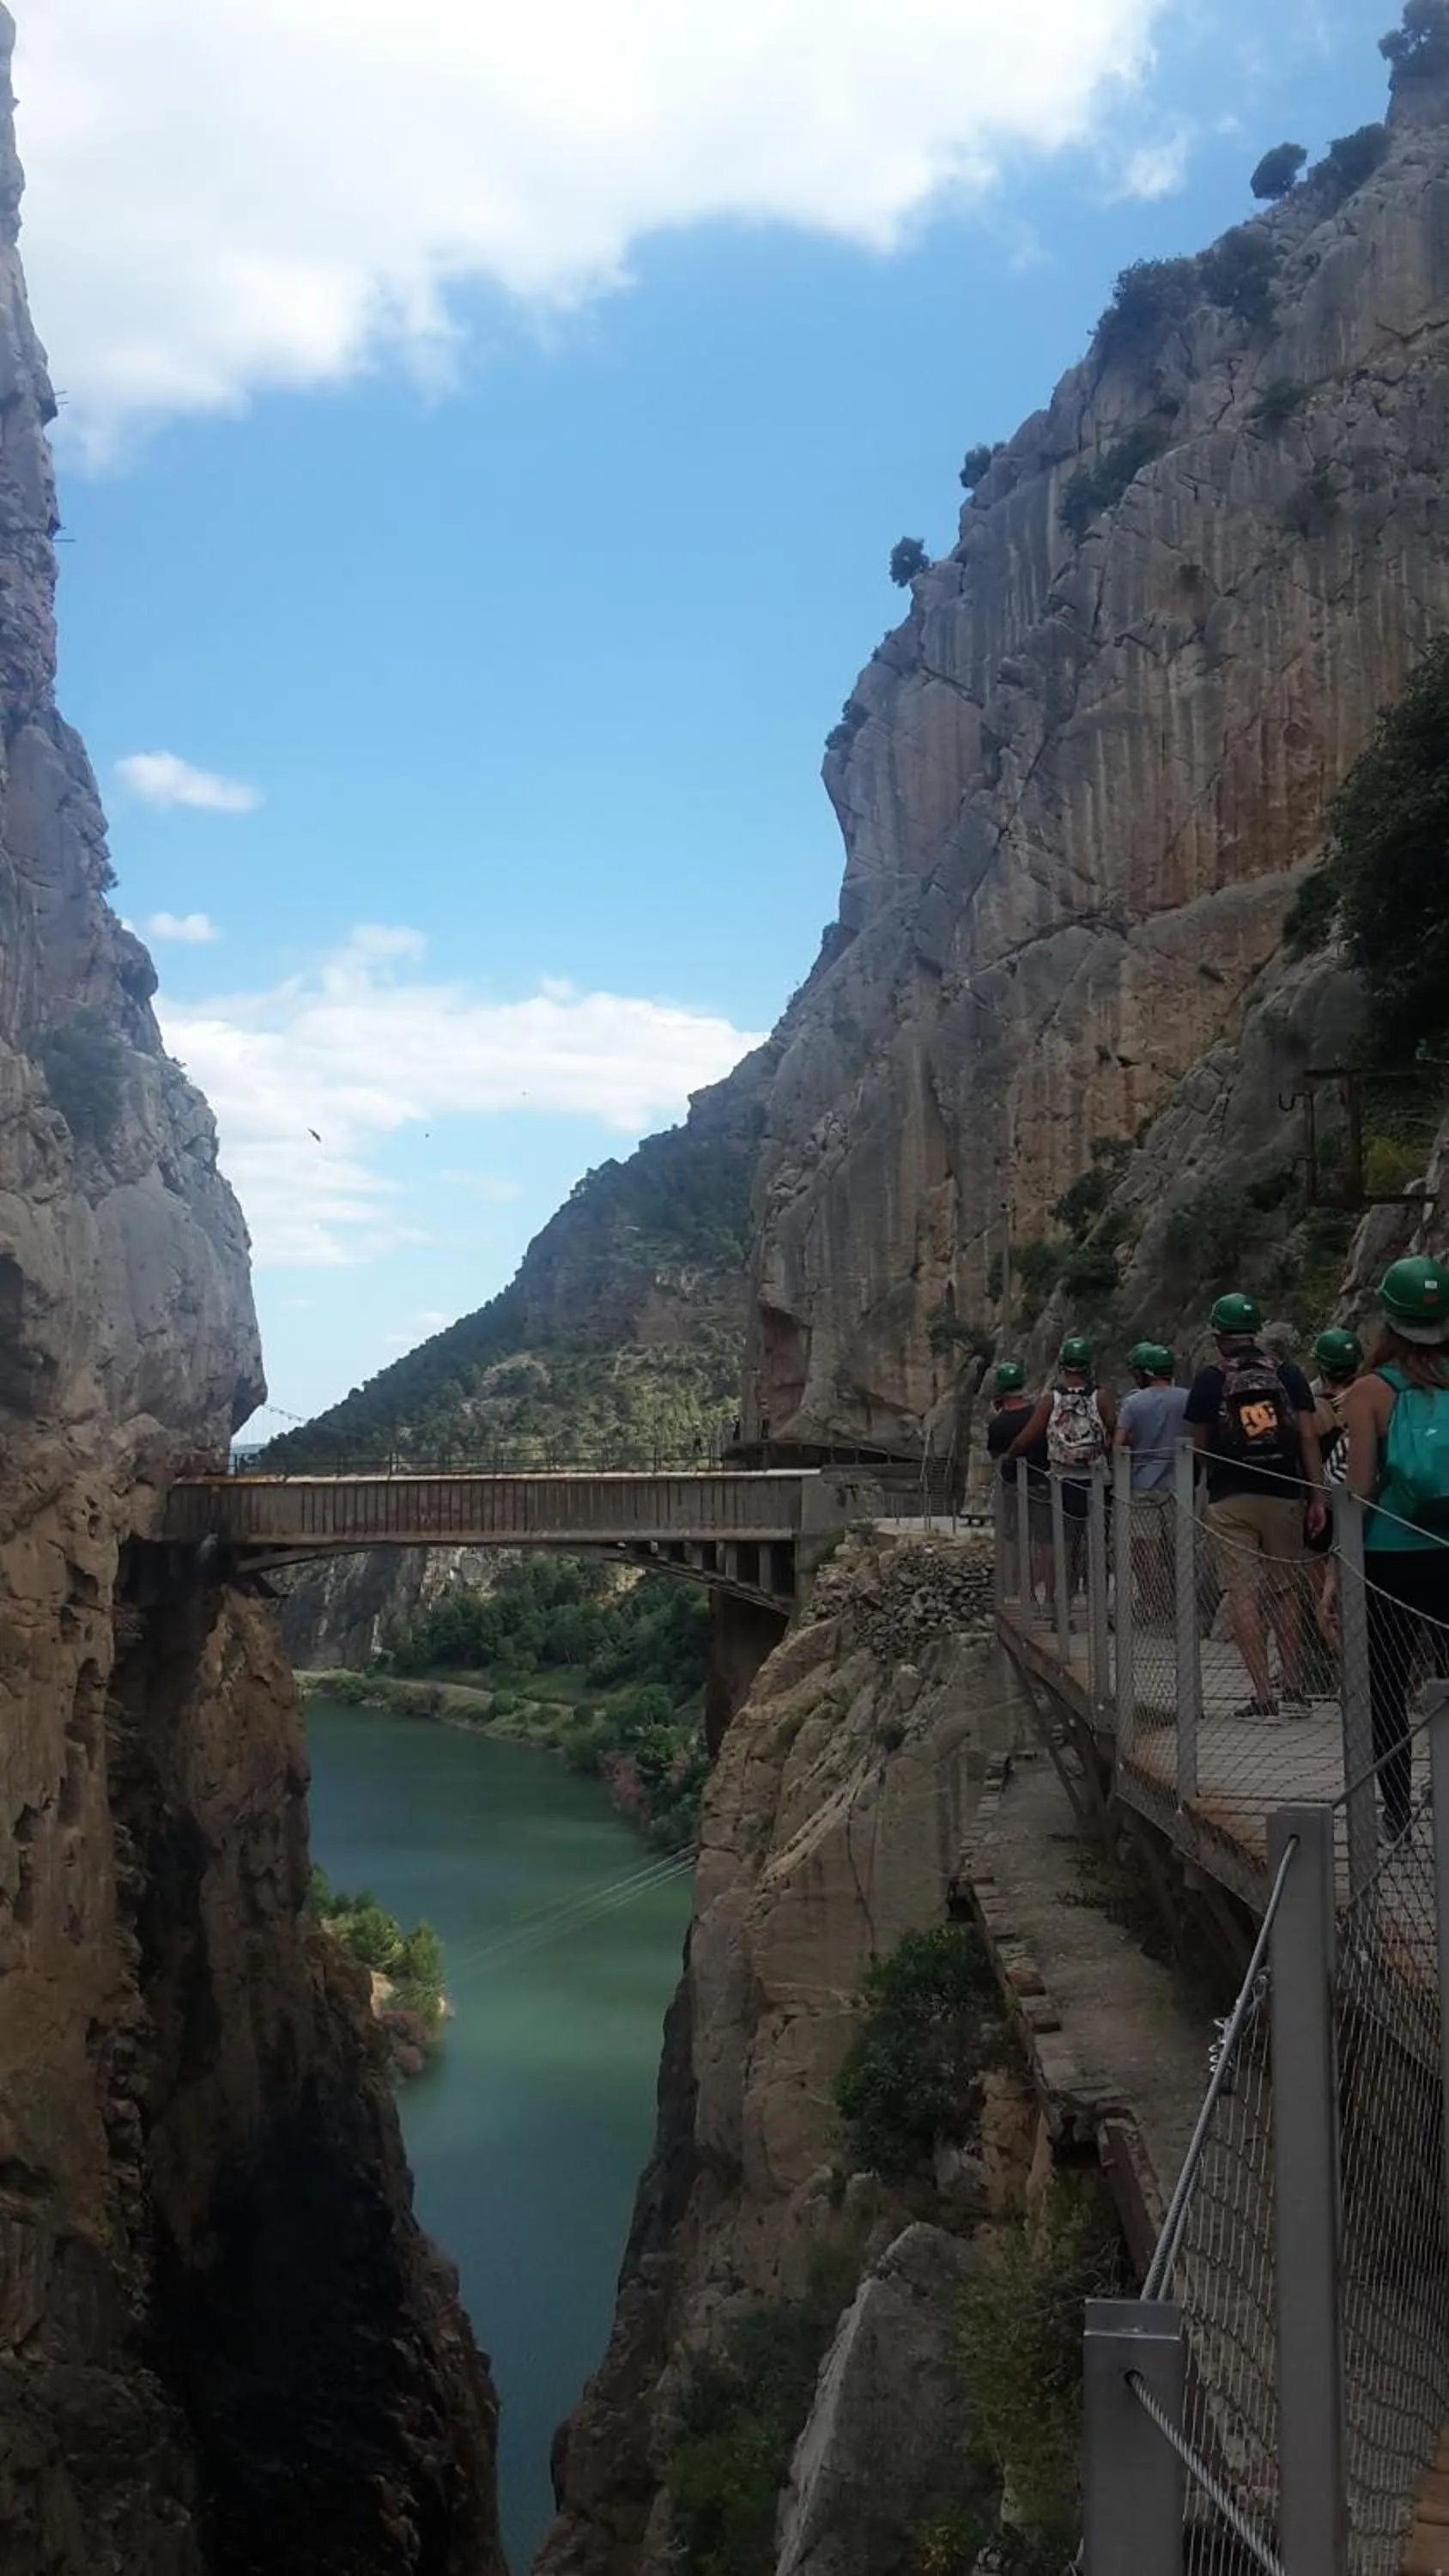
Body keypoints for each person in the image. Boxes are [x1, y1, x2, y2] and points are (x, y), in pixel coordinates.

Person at [1338, 1257, 1449, 1847]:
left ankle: (1397, 1816)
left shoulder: (1370, 1391)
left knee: (1386, 1685)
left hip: (1391, 1556)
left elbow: (1359, 1488)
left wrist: (1336, 1567)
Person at [1184, 1291, 1326, 1721]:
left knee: (1241, 1592)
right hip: (1284, 1492)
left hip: (1231, 1498)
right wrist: (1316, 1496)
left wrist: (1207, 1482)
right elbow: (1307, 1437)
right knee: (1285, 1590)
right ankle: (1294, 1689)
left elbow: (1199, 1446)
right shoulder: (1287, 1373)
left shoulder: (1210, 1379)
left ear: (1218, 1336)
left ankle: (1263, 1696)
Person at [1007, 1337, 1116, 1609]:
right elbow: (1116, 1430)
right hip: (1097, 1480)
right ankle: (1100, 1603)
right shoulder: (1100, 1397)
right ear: (1088, 1366)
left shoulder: (1051, 1399)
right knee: (1098, 1543)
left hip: (1063, 1481)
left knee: (1064, 1545)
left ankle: (1062, 1603)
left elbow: (1027, 1437)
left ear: (1062, 1365)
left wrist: (1009, 1456)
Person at [1115, 1343, 1188, 1618]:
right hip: (1180, 1483)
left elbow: (1119, 1444)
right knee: (1180, 1545)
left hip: (1143, 1484)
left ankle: (1153, 1601)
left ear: (1144, 1373)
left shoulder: (1133, 1403)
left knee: (1147, 1548)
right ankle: (1183, 1602)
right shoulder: (1186, 1398)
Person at [987, 1360, 1049, 1599]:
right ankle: (1035, 1587)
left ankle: (1016, 1588)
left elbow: (996, 1457)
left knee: (1014, 1539)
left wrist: (996, 1416)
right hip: (1042, 1484)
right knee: (1043, 1540)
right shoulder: (1038, 1416)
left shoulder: (998, 1425)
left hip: (1012, 1487)